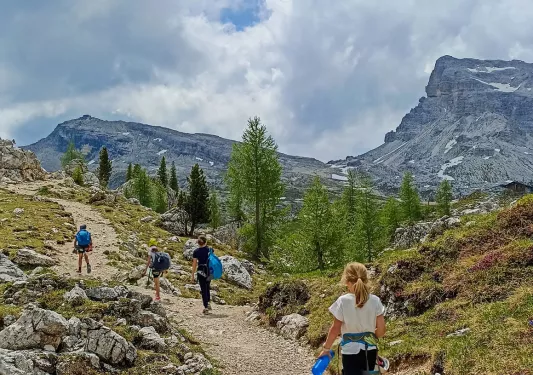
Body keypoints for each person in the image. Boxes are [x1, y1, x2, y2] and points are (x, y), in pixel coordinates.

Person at [319, 262, 386, 374]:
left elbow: (335, 329)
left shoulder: (343, 301)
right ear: (366, 280)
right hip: (369, 350)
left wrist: (326, 349)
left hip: (350, 352)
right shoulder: (375, 300)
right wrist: (369, 337)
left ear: (347, 282)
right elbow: (382, 330)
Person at [191, 235, 212, 314]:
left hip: (200, 271)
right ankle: (208, 302)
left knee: (203, 288)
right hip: (209, 271)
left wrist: (192, 275)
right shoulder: (210, 250)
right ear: (205, 242)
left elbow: (194, 264)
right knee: (207, 286)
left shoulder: (196, 251)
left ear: (198, 243)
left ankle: (206, 307)